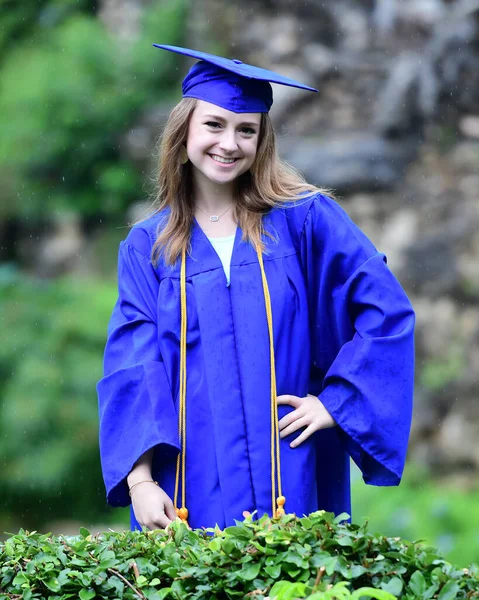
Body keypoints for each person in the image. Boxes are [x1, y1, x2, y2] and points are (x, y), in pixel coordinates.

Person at [97, 45, 415, 532]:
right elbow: (134, 367)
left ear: (262, 140)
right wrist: (140, 483)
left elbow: (385, 310)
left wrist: (338, 401)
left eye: (246, 129)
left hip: (291, 470)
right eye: (214, 125)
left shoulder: (305, 221)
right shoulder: (149, 247)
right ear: (184, 131)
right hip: (188, 481)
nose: (229, 143)